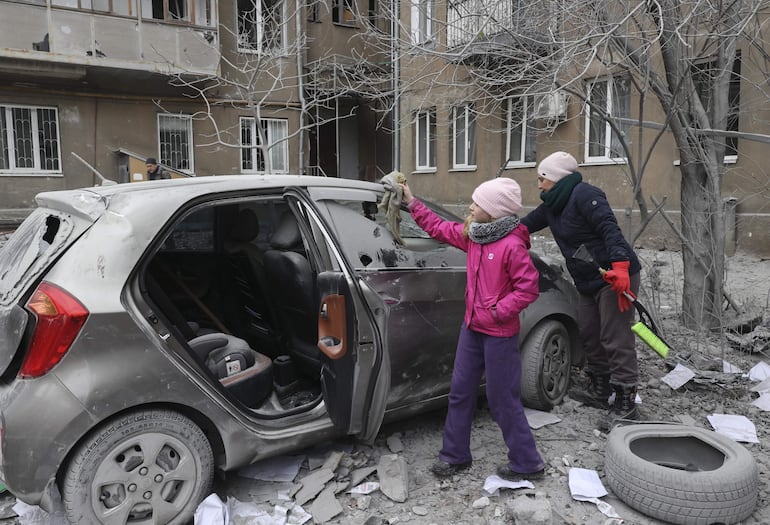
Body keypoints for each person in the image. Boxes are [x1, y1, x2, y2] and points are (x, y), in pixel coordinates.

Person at [400, 176, 546, 482]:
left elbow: (528, 289)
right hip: (471, 329)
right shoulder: (474, 235)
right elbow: (438, 227)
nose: (471, 206)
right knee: (460, 392)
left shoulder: (511, 245)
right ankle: (455, 456)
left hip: (499, 334)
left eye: (477, 203)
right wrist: (411, 203)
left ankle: (527, 462)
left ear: (493, 211)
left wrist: (497, 311)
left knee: (502, 399)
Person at [520, 151, 641, 430]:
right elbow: (526, 225)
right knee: (588, 330)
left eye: (543, 178)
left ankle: (626, 401)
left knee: (615, 334)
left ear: (558, 178)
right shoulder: (553, 204)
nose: (539, 184)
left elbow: (610, 230)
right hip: (588, 279)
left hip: (614, 277)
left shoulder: (585, 195)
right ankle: (600, 388)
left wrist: (621, 266)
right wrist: (498, 230)